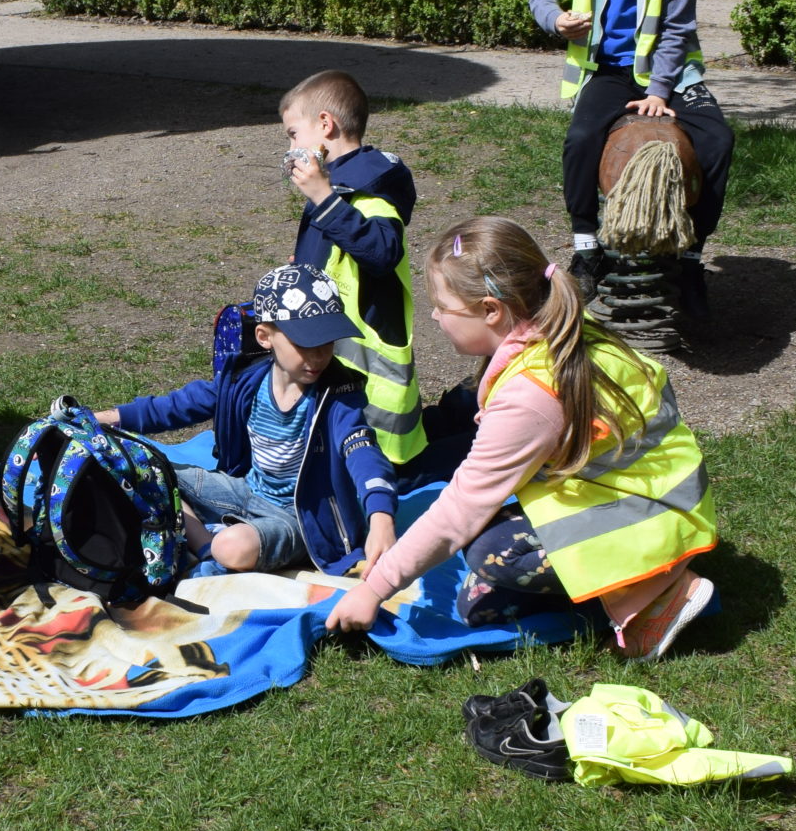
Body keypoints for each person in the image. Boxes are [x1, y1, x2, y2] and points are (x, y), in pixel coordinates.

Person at [324, 217, 718, 659]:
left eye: (442, 305)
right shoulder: (564, 329)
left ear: (491, 310)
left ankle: (657, 589)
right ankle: (628, 581)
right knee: (480, 606)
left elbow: (462, 508)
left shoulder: (532, 394)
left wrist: (374, 589)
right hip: (654, 496)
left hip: (649, 520)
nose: (434, 315)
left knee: (492, 553)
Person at [529, 0, 734, 316]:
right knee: (581, 140)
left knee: (718, 141)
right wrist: (555, 19)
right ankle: (586, 248)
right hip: (611, 73)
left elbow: (678, 29)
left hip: (671, 74)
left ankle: (691, 256)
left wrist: (660, 92)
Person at [95, 264, 398, 576]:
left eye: (328, 342)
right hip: (246, 491)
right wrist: (106, 419)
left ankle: (211, 545)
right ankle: (204, 545)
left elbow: (363, 451)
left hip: (301, 519)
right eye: (305, 343)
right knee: (145, 467)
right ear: (265, 337)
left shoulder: (339, 396)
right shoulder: (245, 380)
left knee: (232, 547)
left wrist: (380, 516)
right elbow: (177, 406)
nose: (319, 355)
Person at [282, 69, 425, 469]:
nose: (290, 147)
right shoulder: (338, 185)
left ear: (325, 124)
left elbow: (381, 251)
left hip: (370, 385)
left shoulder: (368, 186)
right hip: (336, 361)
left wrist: (324, 198)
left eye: (293, 134)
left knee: (372, 456)